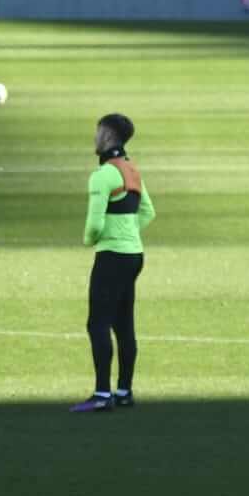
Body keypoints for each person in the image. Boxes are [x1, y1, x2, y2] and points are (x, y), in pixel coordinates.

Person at [73, 112, 155, 413]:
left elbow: (94, 224)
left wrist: (91, 240)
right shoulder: (132, 170)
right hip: (134, 255)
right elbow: (148, 212)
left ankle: (101, 394)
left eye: (98, 132)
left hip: (112, 256)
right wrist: (127, 234)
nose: (95, 138)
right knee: (124, 324)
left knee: (97, 323)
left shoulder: (103, 175)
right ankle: (124, 391)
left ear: (108, 136)